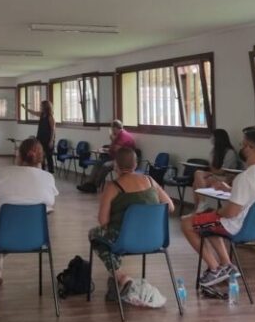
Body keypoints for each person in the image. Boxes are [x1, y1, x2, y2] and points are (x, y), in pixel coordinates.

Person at [181, 126, 255, 287]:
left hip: (236, 226)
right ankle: (227, 265)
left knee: (187, 223)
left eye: (242, 144)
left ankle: (214, 268)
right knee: (208, 222)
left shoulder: (245, 177)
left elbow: (230, 213)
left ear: (249, 147)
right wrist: (229, 190)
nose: (241, 147)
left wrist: (218, 211)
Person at [89, 147, 174, 299]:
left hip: (125, 240)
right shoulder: (150, 181)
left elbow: (103, 221)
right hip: (155, 240)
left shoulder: (113, 187)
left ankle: (120, 276)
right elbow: (170, 207)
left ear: (115, 166)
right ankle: (115, 282)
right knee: (109, 239)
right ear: (136, 165)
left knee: (95, 235)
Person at [0, 137, 58, 284]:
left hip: (5, 235)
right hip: (37, 237)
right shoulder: (48, 178)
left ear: (19, 155)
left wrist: (5, 221)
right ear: (41, 158)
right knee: (9, 232)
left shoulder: (0, 175)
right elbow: (49, 208)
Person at [77, 120, 136, 193]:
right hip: (113, 157)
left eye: (112, 129)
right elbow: (114, 148)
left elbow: (117, 149)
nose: (112, 131)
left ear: (115, 128)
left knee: (105, 166)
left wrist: (112, 140)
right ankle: (89, 183)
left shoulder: (123, 136)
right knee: (98, 163)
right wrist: (106, 149)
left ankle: (95, 186)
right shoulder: (119, 135)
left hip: (121, 160)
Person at [192, 129, 241, 213]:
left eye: (213, 137)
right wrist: (213, 171)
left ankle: (201, 205)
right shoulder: (214, 151)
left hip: (226, 178)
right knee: (196, 178)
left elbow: (222, 171)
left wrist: (212, 171)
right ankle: (199, 207)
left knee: (197, 180)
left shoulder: (230, 152)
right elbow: (212, 167)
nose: (211, 139)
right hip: (216, 175)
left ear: (218, 139)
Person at [21, 100, 55, 173]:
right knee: (41, 156)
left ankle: (51, 172)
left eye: (41, 106)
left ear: (45, 107)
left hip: (48, 139)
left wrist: (51, 141)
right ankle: (42, 171)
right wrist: (25, 108)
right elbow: (33, 112)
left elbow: (53, 129)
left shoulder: (50, 117)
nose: (40, 107)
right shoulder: (42, 114)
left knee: (49, 156)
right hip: (40, 138)